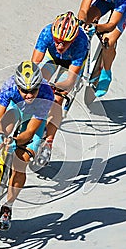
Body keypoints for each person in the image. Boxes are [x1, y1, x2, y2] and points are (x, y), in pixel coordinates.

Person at [0, 61, 54, 231]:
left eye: (33, 90)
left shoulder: (46, 94)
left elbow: (31, 132)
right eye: (24, 91)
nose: (29, 95)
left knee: (22, 161)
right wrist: (0, 136)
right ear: (17, 86)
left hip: (33, 120)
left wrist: (16, 142)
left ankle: (7, 206)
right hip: (16, 109)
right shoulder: (9, 86)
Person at [31, 11, 90, 164]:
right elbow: (34, 64)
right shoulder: (46, 32)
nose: (60, 45)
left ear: (74, 39)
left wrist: (54, 86)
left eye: (65, 43)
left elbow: (70, 80)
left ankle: (48, 142)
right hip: (53, 59)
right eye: (57, 41)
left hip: (71, 66)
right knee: (36, 84)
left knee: (57, 99)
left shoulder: (81, 43)